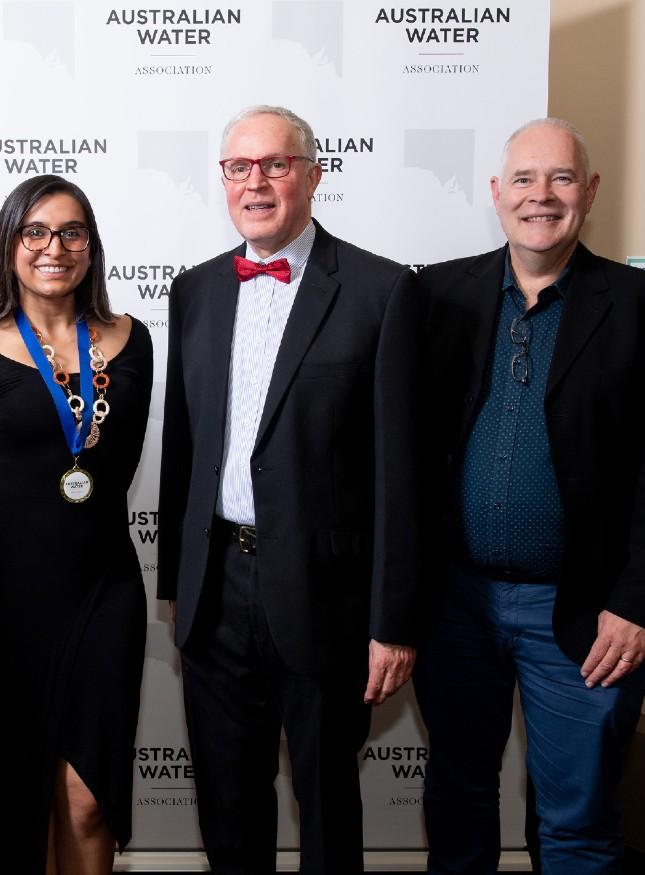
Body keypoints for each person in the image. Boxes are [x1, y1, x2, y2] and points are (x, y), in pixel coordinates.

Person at [413, 117, 645, 873]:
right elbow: (402, 447)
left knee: (577, 823)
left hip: (585, 614)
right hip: (454, 606)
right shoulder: (436, 294)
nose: (541, 196)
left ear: (590, 191)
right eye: (524, 179)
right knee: (457, 800)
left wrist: (641, 602)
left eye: (561, 179)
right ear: (496, 193)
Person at [157, 105, 424, 874]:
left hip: (326, 593)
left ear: (312, 174)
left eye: (275, 164)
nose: (257, 182)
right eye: (240, 167)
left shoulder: (380, 290)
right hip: (215, 590)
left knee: (326, 800)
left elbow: (403, 473)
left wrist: (394, 618)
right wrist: (181, 574)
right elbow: (185, 444)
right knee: (228, 801)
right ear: (224, 181)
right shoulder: (197, 289)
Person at [0, 174, 152, 874]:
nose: (56, 247)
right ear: (11, 245)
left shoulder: (132, 341)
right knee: (13, 793)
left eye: (72, 231)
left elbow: (119, 467)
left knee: (88, 797)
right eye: (37, 232)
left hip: (105, 589)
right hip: (5, 597)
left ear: (91, 246)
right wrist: (12, 517)